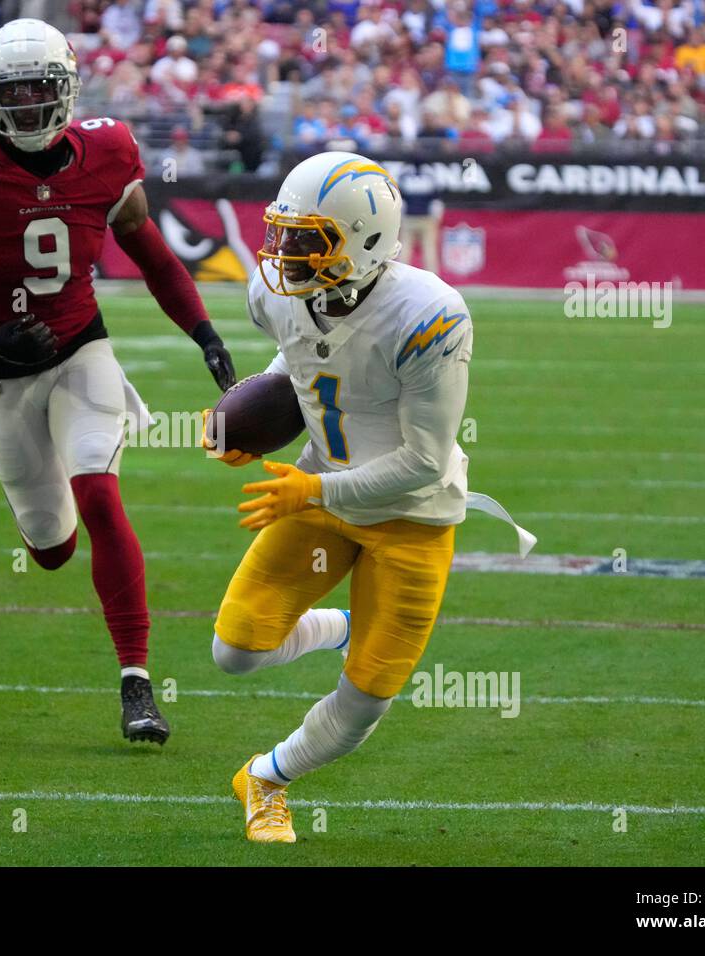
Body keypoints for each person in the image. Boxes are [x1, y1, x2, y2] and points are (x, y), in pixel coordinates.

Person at [0, 19, 237, 745]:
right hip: (0, 372)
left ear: (67, 89)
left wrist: (203, 333)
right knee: (52, 546)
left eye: (38, 87)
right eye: (10, 91)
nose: (24, 103)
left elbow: (155, 258)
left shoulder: (108, 153)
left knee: (102, 499)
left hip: (82, 350)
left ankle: (137, 686)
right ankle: (49, 530)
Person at [205, 153, 533, 842]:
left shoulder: (429, 315)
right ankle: (339, 628)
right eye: (283, 232)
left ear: (364, 241)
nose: (284, 253)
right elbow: (297, 358)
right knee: (234, 650)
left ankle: (266, 778)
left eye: (306, 238)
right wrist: (254, 420)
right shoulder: (276, 294)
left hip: (412, 516)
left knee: (366, 699)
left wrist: (310, 488)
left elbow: (423, 460)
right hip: (321, 492)